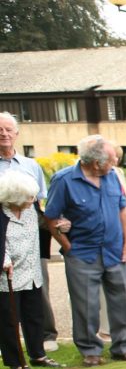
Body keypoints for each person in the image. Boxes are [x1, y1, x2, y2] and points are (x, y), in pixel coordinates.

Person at [44, 135, 126, 367]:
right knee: (86, 305)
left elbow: (122, 210)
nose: (116, 161)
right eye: (112, 158)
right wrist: (67, 246)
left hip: (114, 251)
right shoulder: (64, 180)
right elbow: (51, 216)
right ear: (96, 162)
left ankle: (121, 347)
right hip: (83, 253)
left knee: (120, 300)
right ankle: (90, 351)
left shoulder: (112, 177)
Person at [0, 111, 61, 352]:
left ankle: (42, 344)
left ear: (16, 134)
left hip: (30, 238)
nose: (3, 134)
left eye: (8, 130)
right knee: (6, 304)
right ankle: (11, 351)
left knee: (37, 293)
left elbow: (42, 205)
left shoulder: (30, 165)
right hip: (4, 236)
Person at [0, 171, 63, 369]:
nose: (32, 200)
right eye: (28, 197)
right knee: (10, 319)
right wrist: (4, 258)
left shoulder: (30, 210)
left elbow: (47, 225)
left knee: (35, 315)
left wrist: (63, 224)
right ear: (14, 197)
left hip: (31, 270)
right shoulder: (2, 214)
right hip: (8, 274)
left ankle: (38, 354)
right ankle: (15, 360)